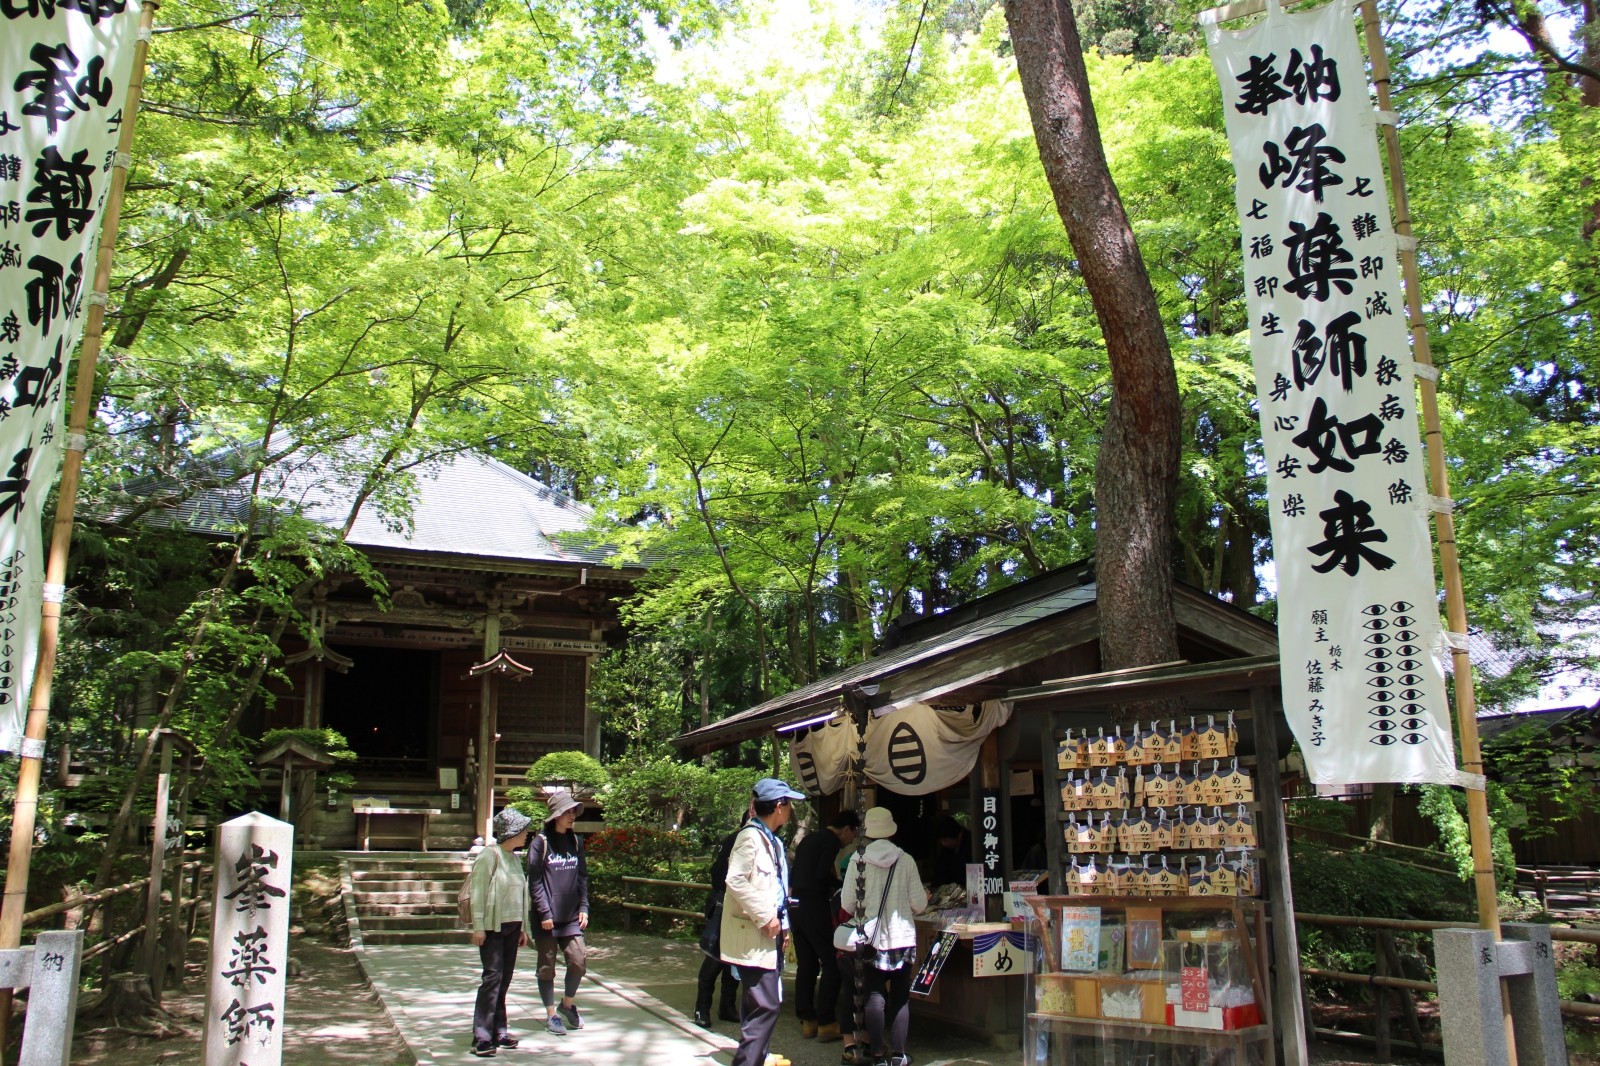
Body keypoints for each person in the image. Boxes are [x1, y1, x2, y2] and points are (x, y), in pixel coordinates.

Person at [722, 777, 806, 1066]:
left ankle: (756, 1059)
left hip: (768, 934)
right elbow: (735, 880)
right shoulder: (750, 837)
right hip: (753, 934)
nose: (791, 810)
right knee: (766, 1005)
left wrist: (782, 927)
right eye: (789, 804)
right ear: (779, 806)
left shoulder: (771, 840)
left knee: (759, 1005)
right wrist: (766, 916)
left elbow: (775, 888)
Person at [841, 807, 928, 1066]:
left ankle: (878, 1055)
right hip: (902, 936)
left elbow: (847, 904)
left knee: (875, 997)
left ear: (868, 832)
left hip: (870, 939)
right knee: (900, 997)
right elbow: (919, 904)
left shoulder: (858, 860)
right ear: (891, 830)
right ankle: (900, 1054)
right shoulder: (907, 860)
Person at [468, 807, 532, 1058]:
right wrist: (478, 926)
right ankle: (481, 1036)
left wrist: (523, 928)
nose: (527, 834)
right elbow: (478, 892)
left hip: (513, 926)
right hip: (493, 927)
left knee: (504, 979)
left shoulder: (515, 858)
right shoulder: (489, 855)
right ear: (512, 832)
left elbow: (521, 895)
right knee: (492, 978)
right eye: (524, 830)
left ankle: (499, 1031)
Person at [792, 809, 859, 1040]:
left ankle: (807, 1020)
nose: (851, 841)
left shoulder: (809, 838)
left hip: (795, 906)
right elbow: (822, 874)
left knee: (807, 964)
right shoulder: (830, 841)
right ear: (847, 829)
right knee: (831, 962)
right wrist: (840, 883)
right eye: (853, 835)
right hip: (814, 905)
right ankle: (827, 1021)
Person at [528, 788, 590, 1036]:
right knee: (547, 966)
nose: (571, 815)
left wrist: (584, 906)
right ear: (556, 815)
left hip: (571, 916)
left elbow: (583, 877)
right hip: (547, 918)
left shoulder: (577, 842)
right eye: (567, 811)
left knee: (578, 962)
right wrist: (544, 912)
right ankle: (551, 1014)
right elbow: (535, 881)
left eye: (573, 810)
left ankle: (567, 1004)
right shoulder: (539, 843)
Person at [693, 817, 744, 1028]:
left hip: (737, 907)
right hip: (724, 904)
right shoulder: (739, 840)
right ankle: (701, 1009)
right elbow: (719, 875)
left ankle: (727, 1007)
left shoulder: (746, 839)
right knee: (715, 957)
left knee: (734, 958)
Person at [926, 814, 968, 888]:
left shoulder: (971, 843)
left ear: (957, 834)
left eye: (945, 840)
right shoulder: (946, 849)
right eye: (940, 841)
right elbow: (940, 873)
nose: (944, 844)